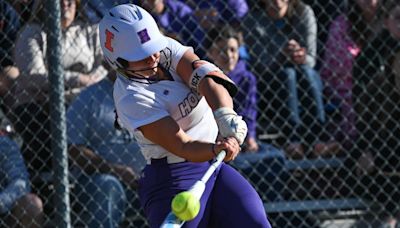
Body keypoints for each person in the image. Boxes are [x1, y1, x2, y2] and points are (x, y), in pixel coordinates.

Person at [98, 4, 271, 228]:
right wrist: (217, 148)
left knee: (255, 222)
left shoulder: (165, 50)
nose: (152, 58)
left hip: (213, 168)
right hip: (173, 179)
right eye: (140, 56)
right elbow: (182, 145)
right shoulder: (131, 98)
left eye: (154, 48)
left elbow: (208, 81)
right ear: (119, 61)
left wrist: (225, 116)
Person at [10, 0, 107, 177]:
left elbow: (106, 65)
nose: (65, 4)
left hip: (85, 99)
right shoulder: (32, 33)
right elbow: (35, 76)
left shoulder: (90, 31)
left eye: (70, 0)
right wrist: (78, 79)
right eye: (59, 1)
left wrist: (90, 83)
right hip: (43, 103)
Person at [204, 25, 288, 204]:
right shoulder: (205, 80)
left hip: (240, 137)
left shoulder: (247, 78)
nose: (228, 55)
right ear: (210, 52)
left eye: (233, 49)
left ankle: (272, 208)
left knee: (275, 157)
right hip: (215, 141)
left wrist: (250, 138)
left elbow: (249, 111)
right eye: (221, 50)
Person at [243, 0, 327, 159]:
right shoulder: (253, 19)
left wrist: (300, 56)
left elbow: (312, 59)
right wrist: (281, 56)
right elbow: (260, 65)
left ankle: (319, 138)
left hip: (303, 74)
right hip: (270, 82)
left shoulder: (304, 12)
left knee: (306, 72)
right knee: (288, 74)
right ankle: (293, 138)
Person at [66, 66, 146, 227]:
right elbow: (73, 149)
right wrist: (115, 170)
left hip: (148, 180)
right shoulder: (88, 98)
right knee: (108, 186)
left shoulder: (151, 96)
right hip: (99, 181)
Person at [352, 0, 400, 225]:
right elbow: (364, 117)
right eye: (398, 19)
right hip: (380, 146)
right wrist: (368, 150)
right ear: (386, 21)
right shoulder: (371, 60)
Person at [320, 0, 381, 155]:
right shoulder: (342, 24)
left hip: (383, 84)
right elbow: (338, 64)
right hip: (344, 84)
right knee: (354, 99)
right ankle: (357, 148)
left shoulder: (391, 20)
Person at [0, 129, 44, 228]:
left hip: (3, 211)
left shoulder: (4, 145)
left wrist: (1, 202)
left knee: (32, 203)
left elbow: (20, 184)